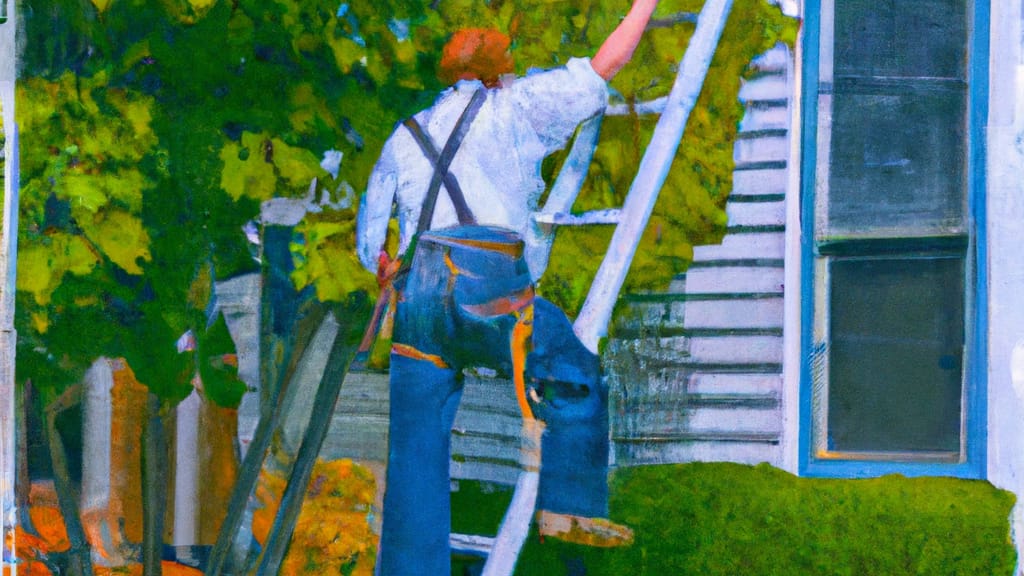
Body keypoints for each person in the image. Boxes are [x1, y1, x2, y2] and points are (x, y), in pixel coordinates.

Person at [356, 3, 659, 574]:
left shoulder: (407, 132)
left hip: (419, 300)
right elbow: (605, 66)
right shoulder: (518, 107)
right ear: (499, 72)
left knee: (415, 458)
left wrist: (384, 261)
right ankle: (567, 509)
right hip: (491, 290)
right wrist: (643, 5)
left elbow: (371, 235)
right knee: (571, 371)